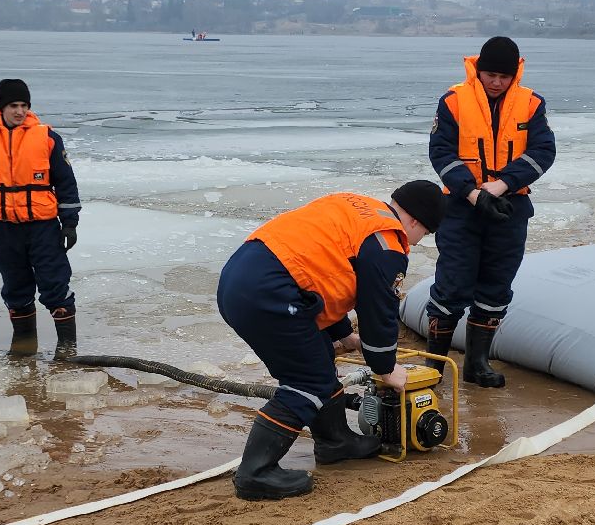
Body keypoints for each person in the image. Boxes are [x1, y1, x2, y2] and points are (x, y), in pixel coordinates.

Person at [217, 181, 445, 501]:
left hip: (241, 277)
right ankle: (255, 472)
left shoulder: (356, 205)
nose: (419, 242)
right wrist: (386, 368)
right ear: (417, 222)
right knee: (307, 380)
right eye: (426, 234)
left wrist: (343, 336)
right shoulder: (386, 242)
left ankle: (336, 442)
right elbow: (378, 309)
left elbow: (321, 269)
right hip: (268, 290)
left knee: (320, 355)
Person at [424, 36, 556, 388]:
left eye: (504, 76)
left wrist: (500, 186)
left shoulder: (531, 104)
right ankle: (434, 364)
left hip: (509, 206)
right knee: (452, 284)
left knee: (496, 286)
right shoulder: (453, 101)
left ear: (515, 75)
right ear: (478, 71)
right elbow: (441, 153)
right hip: (460, 208)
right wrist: (471, 193)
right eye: (491, 74)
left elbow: (543, 153)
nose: (497, 82)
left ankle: (477, 363)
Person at [0, 78, 83, 358]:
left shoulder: (47, 137)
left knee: (54, 284)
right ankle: (24, 345)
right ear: (2, 107)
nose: (19, 111)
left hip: (43, 227)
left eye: (24, 105)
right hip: (4, 228)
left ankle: (67, 347)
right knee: (15, 287)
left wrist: (70, 223)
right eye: (14, 105)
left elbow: (66, 183)